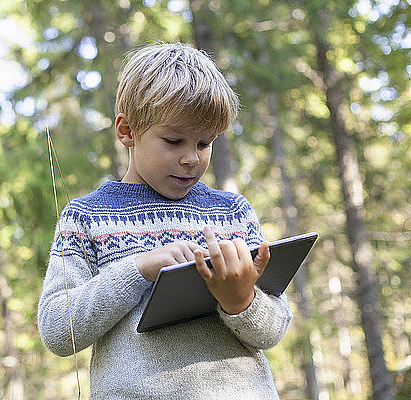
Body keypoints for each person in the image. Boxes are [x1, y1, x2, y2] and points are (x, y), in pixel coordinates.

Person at [37, 42, 292, 399]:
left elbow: (275, 328)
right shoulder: (86, 217)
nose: (191, 158)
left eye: (204, 143)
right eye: (174, 141)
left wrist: (241, 301)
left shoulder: (233, 213)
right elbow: (58, 330)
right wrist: (138, 269)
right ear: (127, 131)